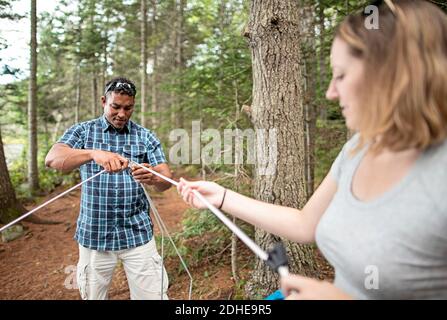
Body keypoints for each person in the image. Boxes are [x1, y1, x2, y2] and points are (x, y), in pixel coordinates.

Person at [177, 0, 447, 299]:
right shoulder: (358, 149)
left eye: (342, 75)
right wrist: (222, 196)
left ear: (395, 76)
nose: (331, 92)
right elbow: (306, 224)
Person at [45, 77, 172, 300]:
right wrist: (93, 153)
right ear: (104, 101)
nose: (122, 114)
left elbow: (165, 180)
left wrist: (152, 176)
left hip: (137, 235)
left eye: (128, 108)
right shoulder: (83, 132)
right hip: (94, 236)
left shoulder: (145, 136)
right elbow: (53, 159)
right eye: (115, 106)